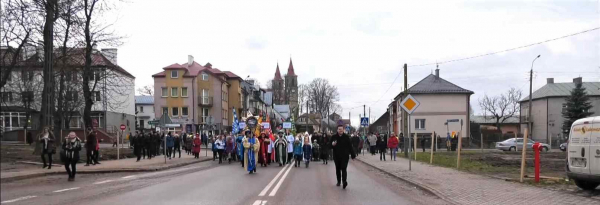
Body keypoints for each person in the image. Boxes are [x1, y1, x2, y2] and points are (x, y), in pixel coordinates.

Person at [331, 125, 356, 189]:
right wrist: (332, 144)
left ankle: (344, 182)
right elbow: (329, 146)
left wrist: (353, 155)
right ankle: (339, 181)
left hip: (344, 156)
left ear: (343, 130)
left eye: (341, 129)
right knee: (338, 169)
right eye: (339, 129)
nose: (340, 130)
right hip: (336, 156)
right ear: (337, 130)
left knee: (344, 168)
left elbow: (350, 146)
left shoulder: (346, 137)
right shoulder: (334, 137)